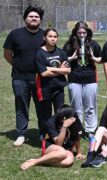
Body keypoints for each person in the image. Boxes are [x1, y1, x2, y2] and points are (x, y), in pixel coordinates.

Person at [3, 5, 45, 146]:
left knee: (42, 107)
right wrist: (18, 65)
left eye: (37, 17)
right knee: (21, 106)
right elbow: (7, 54)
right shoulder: (15, 34)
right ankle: (21, 134)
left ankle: (43, 133)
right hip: (20, 78)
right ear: (25, 18)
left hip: (41, 78)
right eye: (31, 16)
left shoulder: (45, 35)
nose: (34, 19)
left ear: (40, 20)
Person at [63, 21, 102, 137]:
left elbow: (101, 59)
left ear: (88, 33)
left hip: (90, 79)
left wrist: (93, 57)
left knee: (90, 106)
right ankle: (78, 129)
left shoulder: (93, 44)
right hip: (74, 79)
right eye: (79, 33)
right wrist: (71, 58)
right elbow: (62, 60)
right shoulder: (69, 44)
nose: (82, 35)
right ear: (75, 33)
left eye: (84, 33)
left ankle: (90, 129)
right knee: (76, 106)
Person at [20, 104, 84, 170]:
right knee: (62, 153)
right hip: (51, 147)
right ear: (63, 119)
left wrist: (79, 152)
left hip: (66, 148)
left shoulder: (73, 117)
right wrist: (64, 126)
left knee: (69, 161)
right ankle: (35, 162)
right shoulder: (51, 122)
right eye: (70, 118)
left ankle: (45, 161)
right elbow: (58, 144)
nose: (72, 118)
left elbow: (76, 135)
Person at [35, 28, 71, 139]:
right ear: (44, 38)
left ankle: (58, 133)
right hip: (45, 88)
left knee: (60, 112)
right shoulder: (39, 53)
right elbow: (44, 73)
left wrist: (51, 68)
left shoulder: (60, 52)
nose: (53, 39)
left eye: (55, 37)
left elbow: (68, 70)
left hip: (58, 88)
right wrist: (60, 70)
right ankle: (44, 133)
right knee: (45, 113)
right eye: (50, 36)